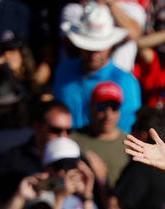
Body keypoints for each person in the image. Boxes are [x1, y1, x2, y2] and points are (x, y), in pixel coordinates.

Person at [54, 2, 141, 133]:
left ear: (111, 46)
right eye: (88, 48)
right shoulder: (64, 70)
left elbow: (124, 132)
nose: (93, 54)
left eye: (99, 48)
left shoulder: (126, 82)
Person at [71, 81, 130, 188]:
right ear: (90, 107)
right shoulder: (73, 140)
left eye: (114, 107)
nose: (108, 114)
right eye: (101, 107)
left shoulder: (130, 144)